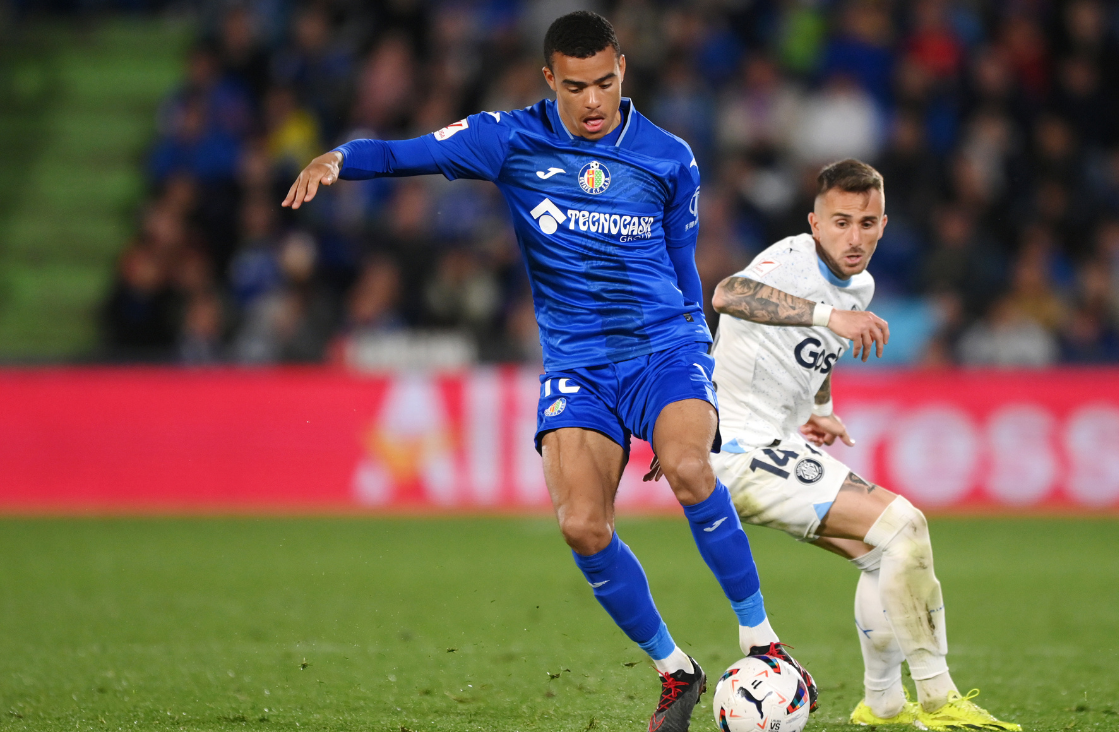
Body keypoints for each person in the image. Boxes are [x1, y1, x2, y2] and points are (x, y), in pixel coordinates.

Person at [281, 11, 813, 731]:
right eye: (575, 86)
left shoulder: (669, 156)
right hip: (579, 367)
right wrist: (336, 160)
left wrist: (699, 364)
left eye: (604, 82)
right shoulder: (509, 139)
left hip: (665, 349)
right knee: (582, 527)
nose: (592, 101)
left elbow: (685, 266)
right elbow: (404, 152)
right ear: (548, 80)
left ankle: (764, 644)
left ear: (622, 70)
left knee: (690, 468)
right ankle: (675, 671)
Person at [651, 159, 1019, 730]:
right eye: (840, 221)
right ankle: (939, 699)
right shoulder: (793, 261)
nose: (854, 237)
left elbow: (820, 349)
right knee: (906, 526)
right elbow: (727, 293)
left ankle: (884, 706)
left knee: (886, 556)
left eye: (867, 223)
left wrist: (820, 410)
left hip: (772, 436)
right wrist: (832, 316)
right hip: (734, 444)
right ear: (815, 223)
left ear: (883, 224)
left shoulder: (861, 285)